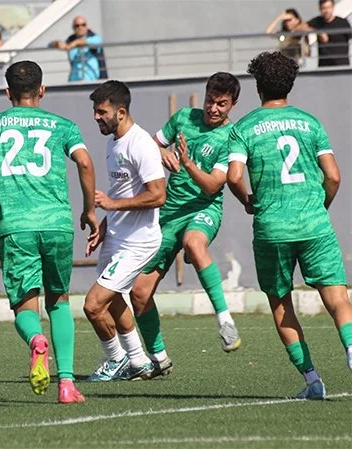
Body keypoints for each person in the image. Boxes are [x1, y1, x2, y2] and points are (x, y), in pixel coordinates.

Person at [226, 51, 352, 399]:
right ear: (290, 85)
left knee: (281, 303)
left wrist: (247, 200)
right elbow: (333, 176)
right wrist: (319, 207)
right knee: (337, 297)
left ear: (258, 87)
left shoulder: (244, 127)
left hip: (272, 228)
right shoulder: (310, 123)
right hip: (315, 224)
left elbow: (233, 176)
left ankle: (312, 381)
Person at [0, 60, 97, 404]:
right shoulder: (63, 125)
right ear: (42, 90)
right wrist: (89, 210)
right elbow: (85, 162)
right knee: (59, 299)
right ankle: (67, 384)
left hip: (15, 226)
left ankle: (35, 340)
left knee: (25, 305)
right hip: (57, 223)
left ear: (7, 92)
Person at [126, 73, 243, 379]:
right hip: (169, 212)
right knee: (139, 293)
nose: (213, 108)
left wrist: (188, 164)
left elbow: (213, 185)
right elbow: (149, 144)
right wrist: (162, 152)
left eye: (222, 104)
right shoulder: (183, 118)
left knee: (193, 242)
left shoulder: (232, 136)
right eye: (210, 100)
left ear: (232, 104)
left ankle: (225, 321)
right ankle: (159, 358)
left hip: (204, 209)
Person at [83, 80, 165, 382]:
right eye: (95, 111)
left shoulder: (140, 143)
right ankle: (139, 361)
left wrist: (112, 205)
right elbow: (122, 192)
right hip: (117, 236)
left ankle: (115, 359)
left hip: (138, 242)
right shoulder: (113, 142)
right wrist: (105, 227)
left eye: (101, 112)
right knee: (114, 298)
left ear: (121, 112)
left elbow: (158, 195)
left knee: (93, 305)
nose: (96, 117)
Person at [49, 16, 107, 82]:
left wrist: (75, 43)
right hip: (74, 80)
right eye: (77, 26)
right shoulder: (70, 40)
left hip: (92, 80)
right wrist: (57, 43)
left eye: (83, 25)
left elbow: (95, 41)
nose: (80, 27)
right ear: (73, 28)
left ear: (86, 26)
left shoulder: (94, 37)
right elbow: (49, 45)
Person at [307, 0, 352, 66]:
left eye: (328, 7)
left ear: (333, 7)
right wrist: (318, 32)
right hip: (324, 66)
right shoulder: (317, 21)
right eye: (323, 8)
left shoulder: (342, 22)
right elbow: (301, 27)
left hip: (341, 65)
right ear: (320, 9)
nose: (326, 11)